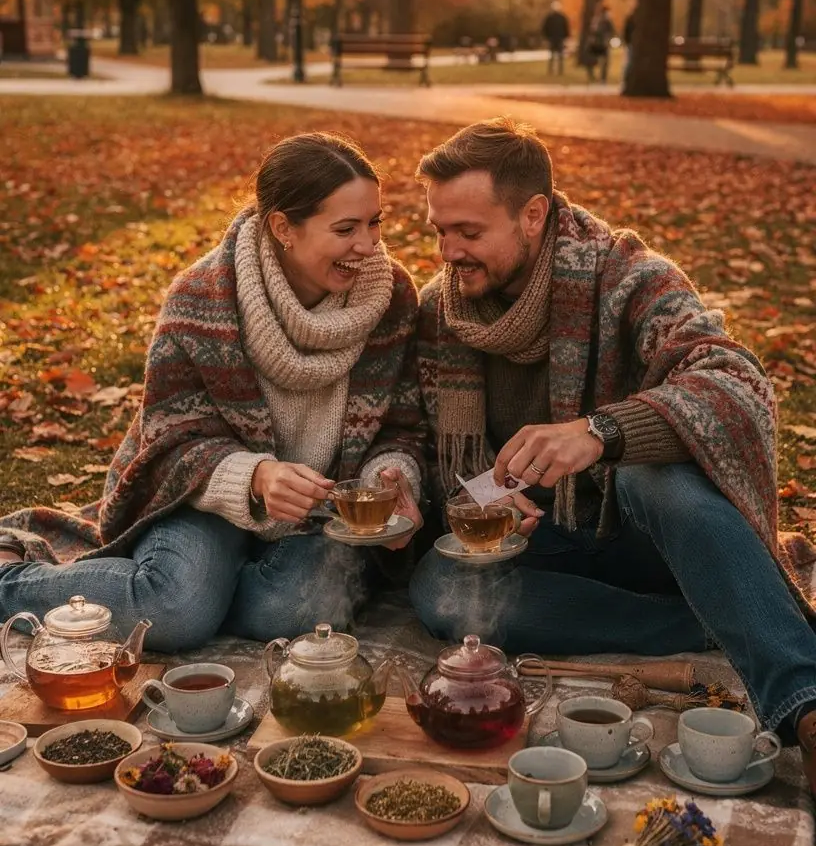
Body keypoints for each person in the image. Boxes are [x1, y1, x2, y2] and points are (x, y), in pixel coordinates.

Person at [409, 117, 816, 789]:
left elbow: (735, 382)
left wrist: (598, 432)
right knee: (440, 586)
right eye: (439, 231)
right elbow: (434, 456)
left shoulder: (629, 279)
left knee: (654, 479)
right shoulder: (440, 313)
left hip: (646, 528)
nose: (448, 251)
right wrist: (485, 497)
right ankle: (714, 616)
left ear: (533, 215)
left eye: (469, 232)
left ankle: (803, 704)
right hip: (540, 537)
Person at [0, 133, 424, 652]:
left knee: (294, 610)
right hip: (205, 500)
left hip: (321, 516)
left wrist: (394, 476)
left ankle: (197, 584)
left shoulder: (393, 298)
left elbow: (403, 425)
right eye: (345, 229)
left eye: (375, 222)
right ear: (283, 228)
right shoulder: (204, 298)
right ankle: (12, 585)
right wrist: (257, 475)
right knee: (176, 613)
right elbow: (170, 436)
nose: (368, 245)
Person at [587, 2, 615, 82]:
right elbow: (611, 31)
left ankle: (594, 75)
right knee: (605, 62)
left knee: (593, 60)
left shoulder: (595, 19)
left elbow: (592, 30)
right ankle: (603, 78)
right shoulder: (606, 20)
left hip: (595, 42)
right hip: (602, 43)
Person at [541, 2, 570, 75]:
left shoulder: (549, 17)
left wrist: (546, 37)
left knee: (552, 56)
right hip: (559, 38)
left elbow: (545, 28)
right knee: (560, 56)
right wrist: (566, 37)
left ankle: (551, 71)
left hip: (552, 39)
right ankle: (560, 71)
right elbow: (566, 28)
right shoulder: (562, 17)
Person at [621, 7, 636, 93]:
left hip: (630, 43)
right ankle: (626, 78)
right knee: (629, 62)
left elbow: (625, 32)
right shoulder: (632, 19)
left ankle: (626, 79)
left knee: (628, 62)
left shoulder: (630, 18)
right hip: (632, 43)